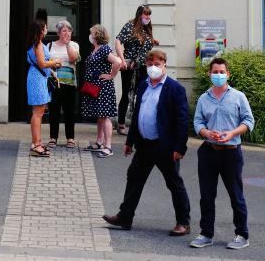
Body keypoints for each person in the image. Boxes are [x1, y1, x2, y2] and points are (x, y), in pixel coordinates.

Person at [103, 48, 191, 236]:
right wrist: (130, 141)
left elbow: (183, 121)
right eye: (149, 65)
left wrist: (179, 147)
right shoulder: (144, 84)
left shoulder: (175, 89)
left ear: (164, 65)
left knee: (174, 183)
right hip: (144, 144)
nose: (153, 68)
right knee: (134, 178)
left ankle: (183, 222)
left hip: (165, 146)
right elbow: (137, 115)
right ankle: (125, 217)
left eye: (157, 64)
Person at [190, 57, 255, 251]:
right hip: (208, 152)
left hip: (231, 153)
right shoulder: (204, 98)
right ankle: (206, 234)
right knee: (206, 195)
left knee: (236, 195)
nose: (218, 75)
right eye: (214, 72)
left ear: (228, 74)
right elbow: (197, 122)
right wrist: (206, 132)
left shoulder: (238, 96)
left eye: (221, 72)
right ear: (209, 74)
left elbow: (248, 121)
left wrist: (232, 133)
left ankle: (242, 235)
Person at [115, 5, 158, 135]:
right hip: (130, 65)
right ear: (140, 15)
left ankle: (138, 123)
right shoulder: (130, 26)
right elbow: (118, 41)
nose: (148, 18)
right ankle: (121, 124)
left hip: (142, 66)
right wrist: (122, 60)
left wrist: (153, 41)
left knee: (142, 94)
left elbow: (143, 43)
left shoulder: (146, 29)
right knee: (127, 94)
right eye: (146, 15)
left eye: (149, 15)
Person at [81, 24, 121, 158]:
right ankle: (99, 142)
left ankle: (108, 146)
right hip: (95, 87)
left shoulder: (103, 49)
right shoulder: (96, 49)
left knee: (105, 116)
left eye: (92, 33)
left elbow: (117, 62)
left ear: (97, 35)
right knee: (100, 116)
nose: (90, 36)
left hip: (103, 87)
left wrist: (111, 75)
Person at [26, 19, 62, 157]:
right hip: (37, 80)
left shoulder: (38, 44)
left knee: (39, 112)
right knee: (37, 112)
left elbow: (42, 64)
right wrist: (56, 62)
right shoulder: (38, 45)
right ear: (39, 31)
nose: (46, 30)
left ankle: (38, 142)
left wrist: (53, 73)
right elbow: (42, 63)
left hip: (40, 78)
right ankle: (36, 145)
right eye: (45, 28)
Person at [47, 20, 81, 149]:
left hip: (69, 83)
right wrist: (53, 65)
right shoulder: (50, 45)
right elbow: (45, 62)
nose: (67, 33)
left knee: (69, 111)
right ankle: (53, 137)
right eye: (64, 31)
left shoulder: (74, 45)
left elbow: (73, 59)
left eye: (69, 30)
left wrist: (67, 45)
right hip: (54, 83)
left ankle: (70, 138)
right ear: (59, 33)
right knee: (54, 111)